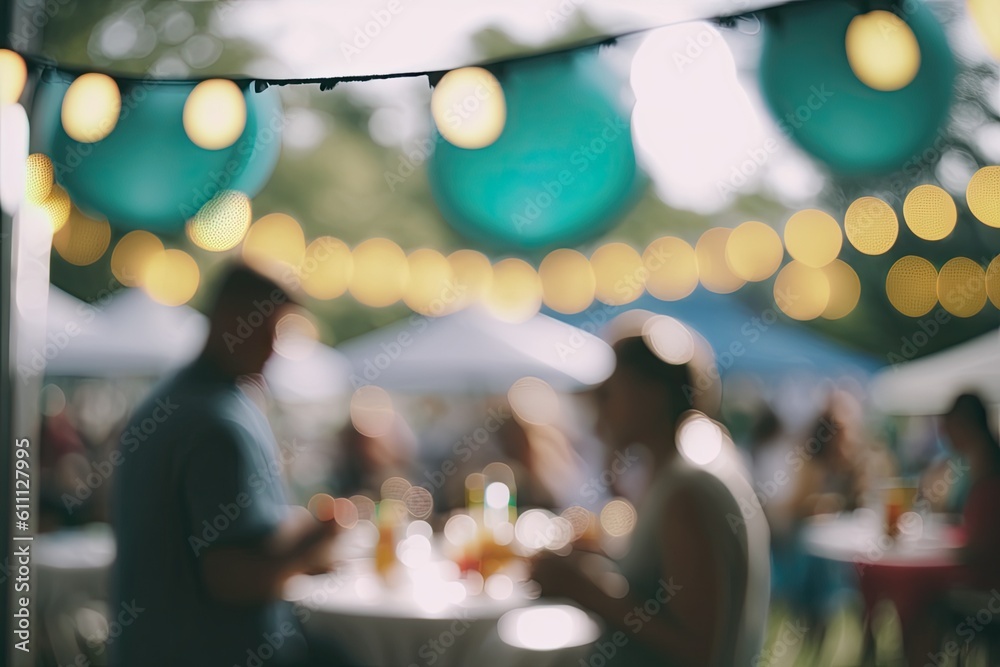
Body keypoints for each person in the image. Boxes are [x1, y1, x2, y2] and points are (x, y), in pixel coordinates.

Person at [110, 264, 354, 667]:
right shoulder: (214, 424)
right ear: (229, 318)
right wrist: (314, 542)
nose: (274, 348)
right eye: (268, 330)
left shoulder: (174, 401)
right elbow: (231, 577)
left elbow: (240, 531)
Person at [531, 312, 770, 667]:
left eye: (607, 392)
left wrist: (582, 588)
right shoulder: (692, 462)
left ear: (651, 393)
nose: (599, 411)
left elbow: (698, 650)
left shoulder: (686, 486)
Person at [943, 392, 1000, 589]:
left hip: (984, 587)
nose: (944, 434)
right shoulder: (971, 466)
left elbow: (980, 549)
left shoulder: (988, 479)